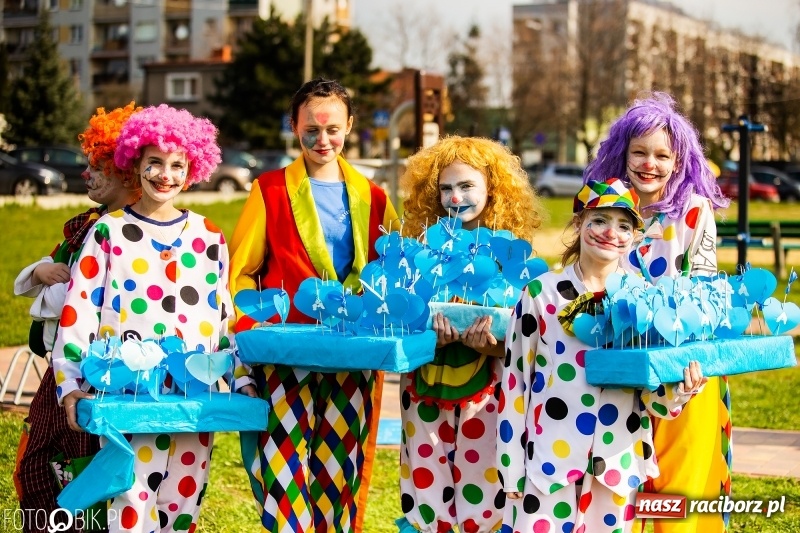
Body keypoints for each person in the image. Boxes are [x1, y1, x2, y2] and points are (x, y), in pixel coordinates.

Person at [52, 104, 256, 533]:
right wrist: (70, 382)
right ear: (136, 164)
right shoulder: (107, 231)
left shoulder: (209, 236)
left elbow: (222, 315)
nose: (166, 175)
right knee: (130, 504)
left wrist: (240, 378)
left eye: (177, 165)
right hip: (125, 395)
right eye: (155, 163)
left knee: (183, 505)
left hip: (194, 397)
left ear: (193, 168)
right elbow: (80, 308)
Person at [228, 77, 399, 533]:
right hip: (286, 353)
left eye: (333, 129)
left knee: (338, 468)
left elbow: (394, 272)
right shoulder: (268, 190)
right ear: (293, 126)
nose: (323, 140)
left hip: (352, 355)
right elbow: (241, 273)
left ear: (350, 127)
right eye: (311, 130)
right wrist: (252, 329)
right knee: (282, 463)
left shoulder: (375, 197)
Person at [498, 177, 708, 533]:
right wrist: (510, 468)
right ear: (579, 223)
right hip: (549, 464)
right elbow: (515, 382)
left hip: (618, 464)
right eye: (600, 220)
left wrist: (681, 391)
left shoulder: (645, 298)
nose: (611, 233)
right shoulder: (540, 293)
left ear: (635, 236)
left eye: (624, 225)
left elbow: (653, 396)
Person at [584, 92, 730, 533]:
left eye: (662, 155)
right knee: (621, 491)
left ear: (679, 159)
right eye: (640, 152)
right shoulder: (607, 206)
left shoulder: (693, 210)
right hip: (622, 371)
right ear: (621, 153)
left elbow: (704, 292)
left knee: (677, 494)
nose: (651, 164)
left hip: (684, 368)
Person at [396, 136, 543, 533]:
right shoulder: (419, 249)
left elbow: (530, 338)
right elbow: (399, 317)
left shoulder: (513, 254)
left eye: (466, 186)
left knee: (483, 495)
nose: (455, 197)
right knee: (426, 493)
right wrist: (432, 337)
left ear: (492, 190)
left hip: (489, 396)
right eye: (446, 188)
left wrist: (495, 345)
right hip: (423, 389)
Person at [13, 102, 141, 533]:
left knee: (86, 465)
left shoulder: (133, 232)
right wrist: (39, 273)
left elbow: (73, 300)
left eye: (97, 166)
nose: (87, 174)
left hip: (102, 370)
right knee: (36, 462)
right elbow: (43, 279)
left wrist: (49, 294)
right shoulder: (84, 225)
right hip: (61, 365)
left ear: (126, 169)